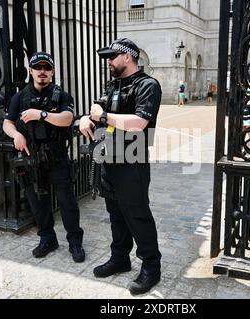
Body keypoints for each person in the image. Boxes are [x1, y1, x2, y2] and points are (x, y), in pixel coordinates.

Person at [79, 38, 162, 295]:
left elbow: (139, 123)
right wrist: (84, 118)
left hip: (132, 159)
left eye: (112, 56)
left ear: (128, 56)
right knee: (115, 213)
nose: (108, 61)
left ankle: (151, 266)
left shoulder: (148, 85)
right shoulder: (113, 85)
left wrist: (102, 117)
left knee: (137, 214)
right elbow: (95, 110)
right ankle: (120, 258)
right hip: (109, 157)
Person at [3, 51, 85, 262]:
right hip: (31, 157)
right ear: (30, 71)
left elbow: (68, 119)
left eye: (46, 68)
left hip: (56, 157)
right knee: (38, 202)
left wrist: (41, 114)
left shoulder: (61, 95)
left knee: (67, 201)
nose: (42, 71)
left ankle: (75, 241)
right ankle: (47, 238)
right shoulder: (20, 97)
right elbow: (8, 122)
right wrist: (16, 135)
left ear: (52, 72)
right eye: (37, 68)